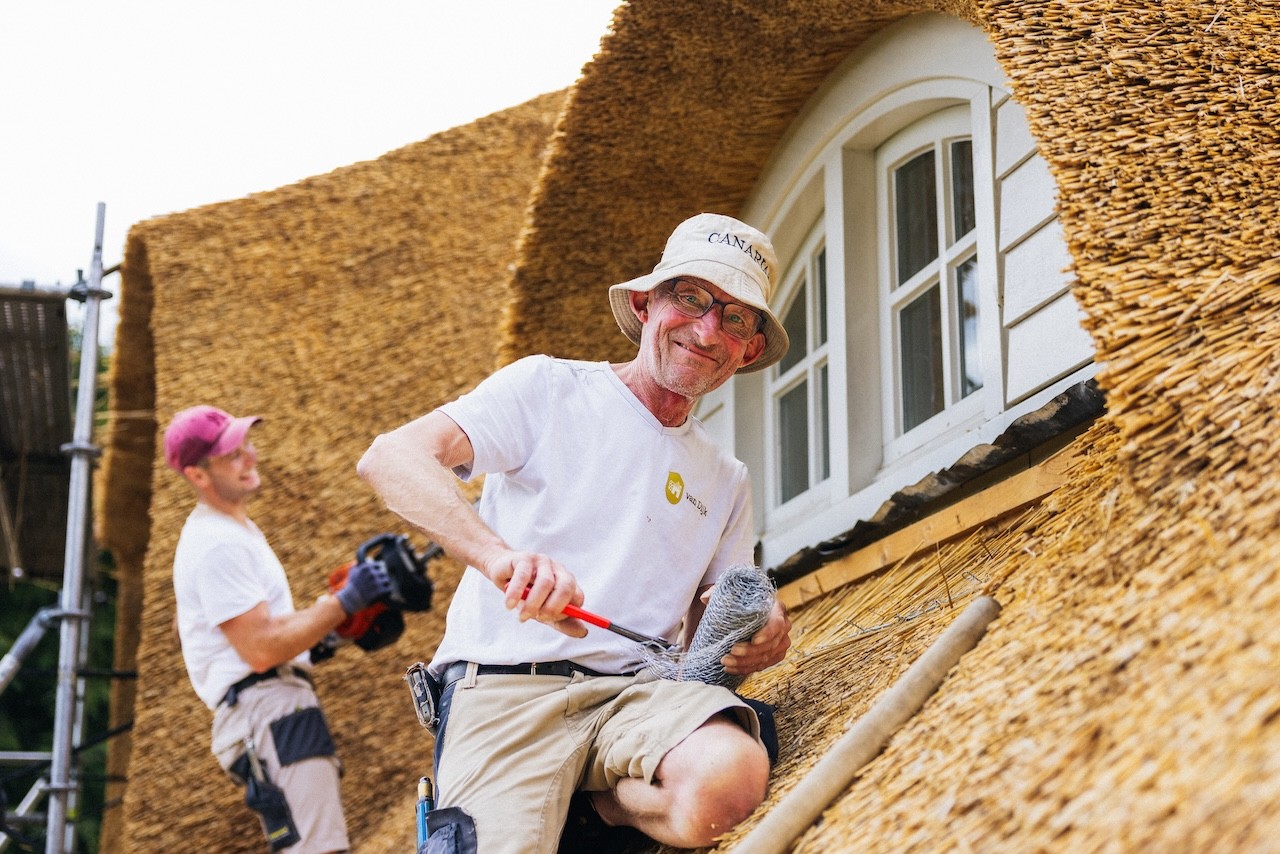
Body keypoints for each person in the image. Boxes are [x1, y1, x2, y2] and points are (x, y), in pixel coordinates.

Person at [358, 212, 794, 852]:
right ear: (647, 304)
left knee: (729, 778)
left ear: (749, 350)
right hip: (503, 694)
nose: (707, 330)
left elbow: (714, 632)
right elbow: (390, 458)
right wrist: (500, 558)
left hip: (635, 702)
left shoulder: (727, 479)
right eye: (692, 298)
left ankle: (591, 805)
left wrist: (758, 632)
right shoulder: (548, 387)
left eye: (734, 320)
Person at [164, 404, 393, 853]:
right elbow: (261, 648)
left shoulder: (233, 531)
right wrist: (343, 602)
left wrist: (321, 636)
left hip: (272, 705)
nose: (249, 457)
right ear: (198, 475)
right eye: (232, 454)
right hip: (265, 707)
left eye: (246, 444)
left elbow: (252, 633)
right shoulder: (216, 543)